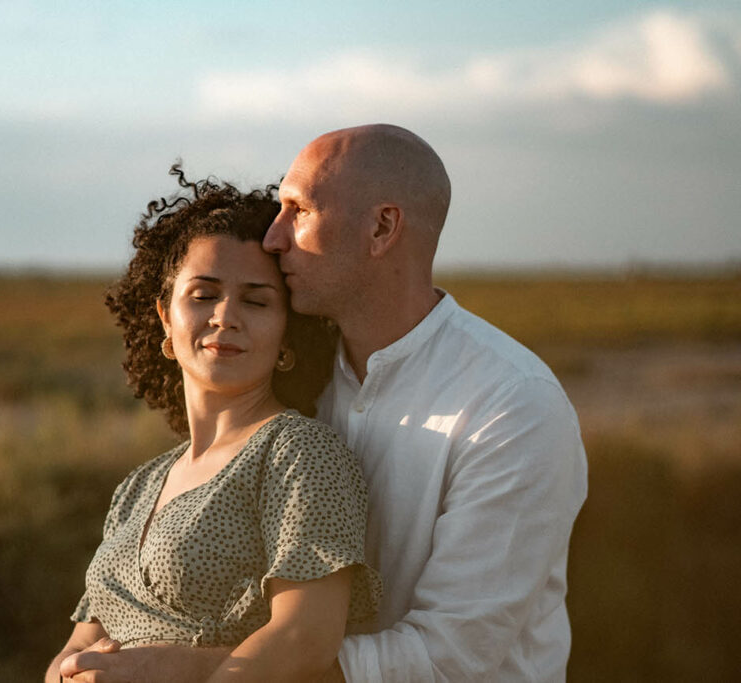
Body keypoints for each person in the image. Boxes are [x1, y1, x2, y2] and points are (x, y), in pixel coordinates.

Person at [57, 125, 588, 682]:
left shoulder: (512, 405)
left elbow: (448, 656)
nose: (273, 237)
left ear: (381, 227)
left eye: (298, 210)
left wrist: (183, 671)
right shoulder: (299, 381)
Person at [45, 167, 380, 683]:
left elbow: (304, 639)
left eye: (256, 300)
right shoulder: (138, 487)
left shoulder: (299, 453)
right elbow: (76, 647)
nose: (226, 315)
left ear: (287, 333)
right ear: (164, 316)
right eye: (203, 294)